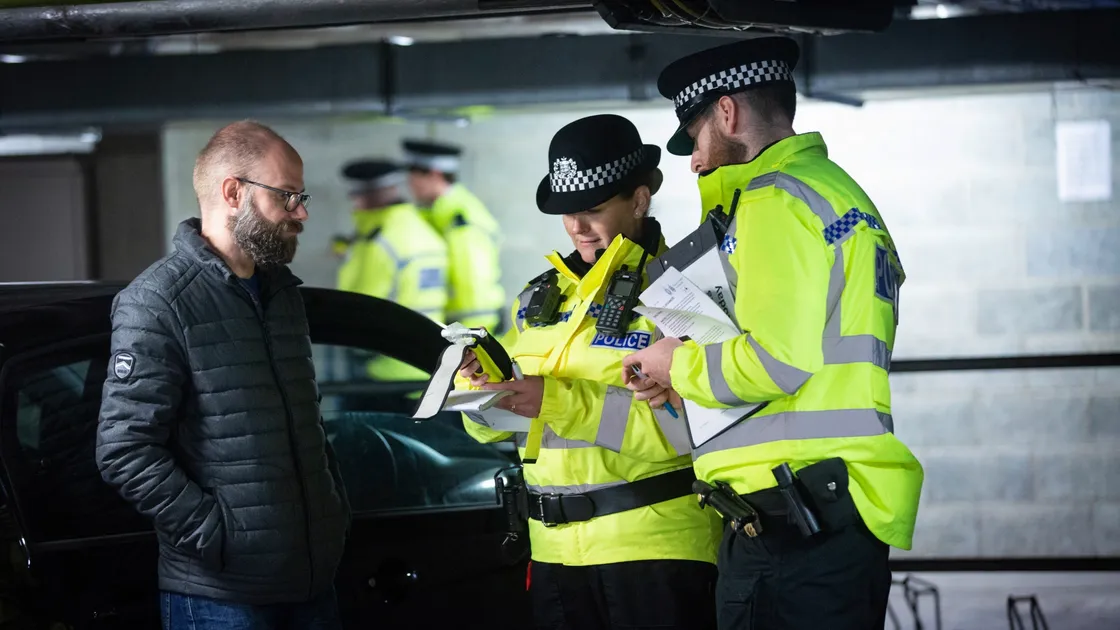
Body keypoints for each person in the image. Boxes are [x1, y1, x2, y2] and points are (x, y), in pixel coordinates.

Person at [620, 37, 924, 630]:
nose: (694, 160)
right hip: (834, 511)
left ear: (727, 113)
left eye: (696, 135)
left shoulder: (773, 200)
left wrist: (670, 365)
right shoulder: (839, 195)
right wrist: (693, 385)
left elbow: (776, 361)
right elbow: (811, 358)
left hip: (791, 526)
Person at [457, 114, 722, 630]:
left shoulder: (683, 293)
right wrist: (482, 395)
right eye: (566, 212)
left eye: (593, 209)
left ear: (640, 200)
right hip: (554, 554)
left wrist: (550, 401)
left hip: (654, 550)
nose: (577, 226)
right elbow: (512, 428)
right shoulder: (538, 299)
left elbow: (693, 434)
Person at [96, 120, 350, 629]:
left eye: (301, 197)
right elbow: (125, 449)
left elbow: (307, 426)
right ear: (233, 192)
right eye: (288, 196)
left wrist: (332, 510)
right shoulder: (158, 301)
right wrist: (218, 535)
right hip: (222, 598)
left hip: (311, 583)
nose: (301, 212)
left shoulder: (283, 295)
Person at [336, 159, 449, 386]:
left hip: (381, 364)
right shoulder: (423, 230)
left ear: (368, 195)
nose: (355, 203)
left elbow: (362, 304)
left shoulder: (377, 241)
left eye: (357, 195)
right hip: (426, 361)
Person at [402, 139, 506, 331]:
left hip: (471, 330)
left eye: (414, 176)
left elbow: (471, 283)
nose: (409, 184)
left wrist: (470, 338)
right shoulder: (437, 214)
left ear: (435, 175)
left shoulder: (461, 219)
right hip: (455, 328)